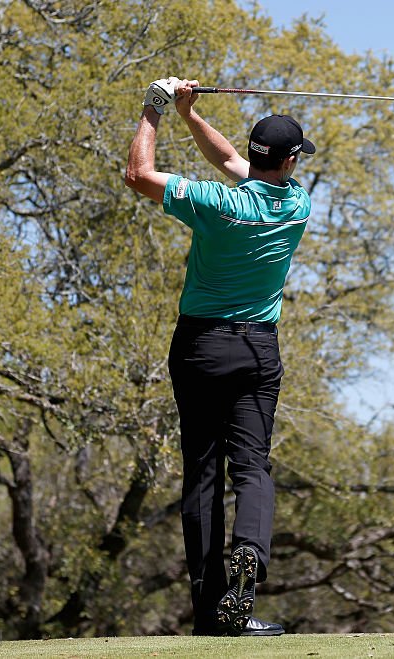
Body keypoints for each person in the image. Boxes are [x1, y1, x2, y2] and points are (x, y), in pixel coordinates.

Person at [124, 76, 316, 637]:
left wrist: (155, 110)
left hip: (200, 346)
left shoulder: (215, 203)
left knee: (203, 474)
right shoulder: (298, 206)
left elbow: (140, 175)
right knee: (252, 466)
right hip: (258, 349)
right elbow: (233, 158)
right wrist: (190, 116)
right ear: (289, 162)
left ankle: (211, 614)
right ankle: (249, 557)